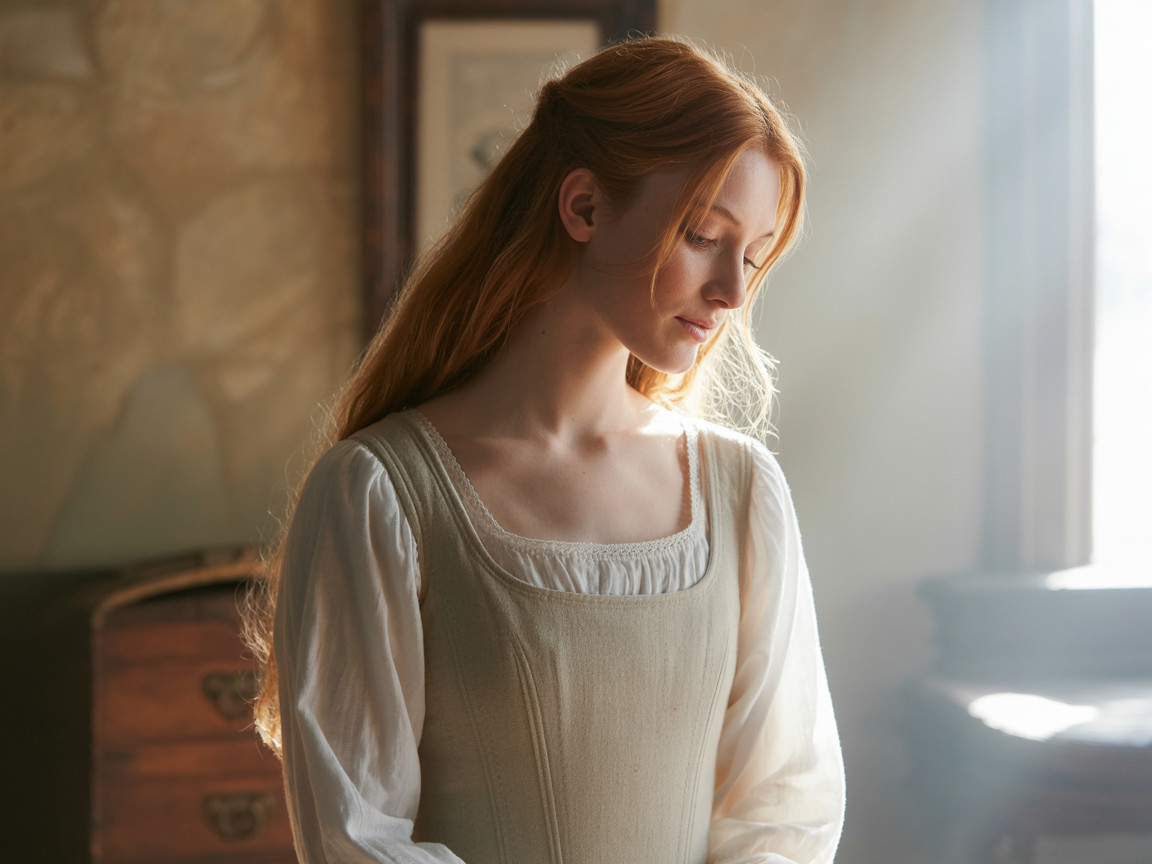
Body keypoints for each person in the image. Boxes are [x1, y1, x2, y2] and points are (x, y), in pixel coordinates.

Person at [245, 35, 845, 864]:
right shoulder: (379, 494)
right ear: (585, 208)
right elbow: (358, 839)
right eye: (706, 235)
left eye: (752, 254)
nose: (734, 293)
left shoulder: (742, 491)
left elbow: (785, 809)